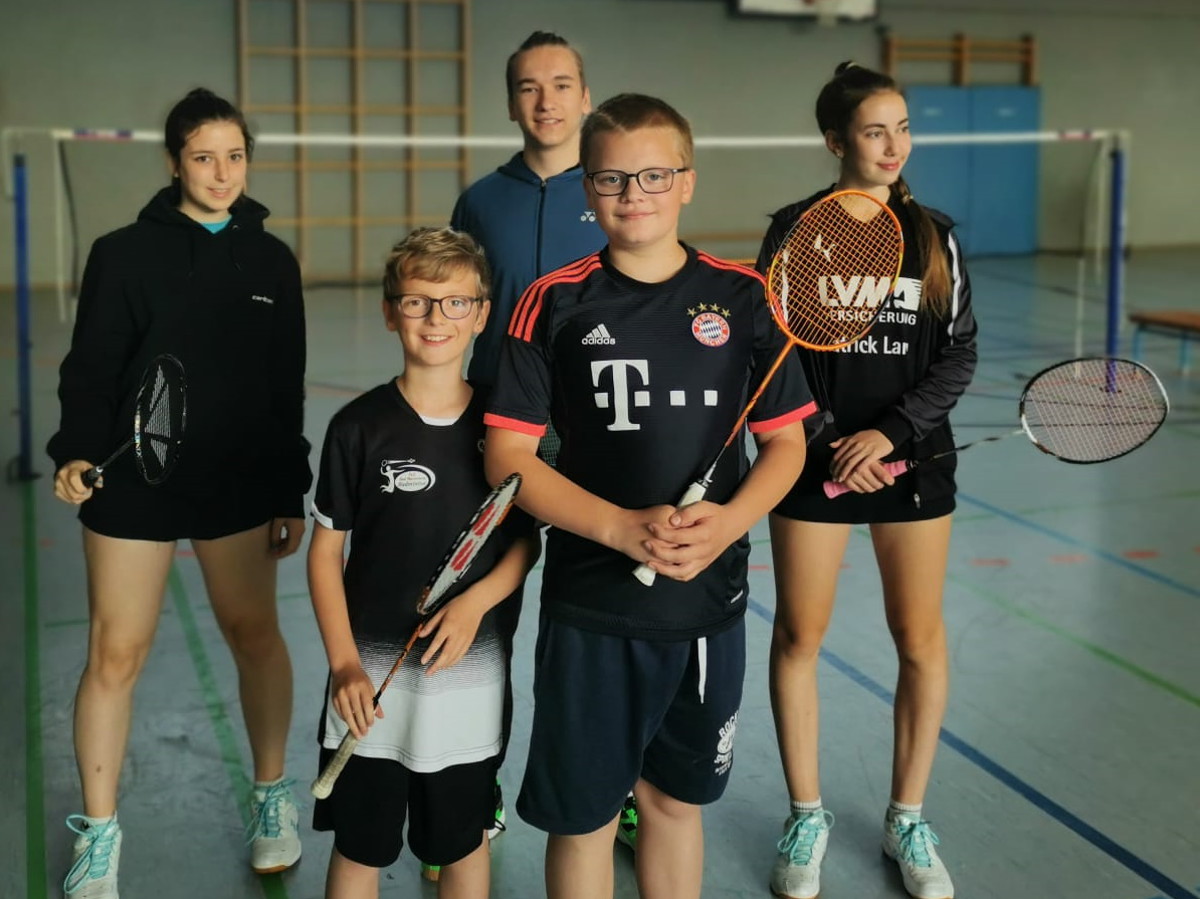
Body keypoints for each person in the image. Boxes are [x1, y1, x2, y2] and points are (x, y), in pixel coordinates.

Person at [484, 93, 816, 899]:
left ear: (688, 182)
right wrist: (621, 529)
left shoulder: (744, 298)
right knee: (586, 815)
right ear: (588, 190)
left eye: (654, 174)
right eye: (612, 178)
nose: (634, 193)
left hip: (706, 604)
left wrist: (733, 520)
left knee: (673, 800)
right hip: (593, 606)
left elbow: (785, 444)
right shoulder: (552, 300)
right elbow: (508, 455)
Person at [48, 87, 312, 898]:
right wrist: (76, 451)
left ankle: (272, 800)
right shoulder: (123, 253)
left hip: (235, 480)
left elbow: (284, 388)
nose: (222, 172)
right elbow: (91, 367)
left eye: (235, 155)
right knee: (115, 651)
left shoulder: (272, 261)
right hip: (136, 479)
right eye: (204, 156)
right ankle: (100, 833)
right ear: (174, 163)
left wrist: (286, 489)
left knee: (253, 632)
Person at [758, 62, 978, 899]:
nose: (894, 145)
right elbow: (771, 351)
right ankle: (805, 810)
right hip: (813, 465)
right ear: (836, 140)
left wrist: (889, 433)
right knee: (797, 638)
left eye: (903, 127)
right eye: (875, 130)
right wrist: (826, 441)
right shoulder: (792, 231)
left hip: (912, 460)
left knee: (919, 639)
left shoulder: (936, 235)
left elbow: (959, 352)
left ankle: (907, 815)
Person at [307, 227, 538, 899]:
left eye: (455, 302)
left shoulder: (505, 428)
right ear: (389, 311)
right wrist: (346, 662)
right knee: (361, 844)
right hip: (368, 684)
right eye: (416, 302)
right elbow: (327, 554)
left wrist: (475, 601)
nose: (436, 318)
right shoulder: (357, 427)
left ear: (482, 314)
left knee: (460, 841)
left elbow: (526, 542)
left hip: (470, 683)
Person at [447, 28, 632, 868]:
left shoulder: (619, 194)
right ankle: (471, 794)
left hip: (605, 443)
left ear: (586, 97)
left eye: (562, 83)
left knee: (605, 630)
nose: (546, 99)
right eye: (528, 86)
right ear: (511, 100)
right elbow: (456, 312)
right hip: (504, 441)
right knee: (487, 623)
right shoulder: (482, 200)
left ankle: (617, 791)